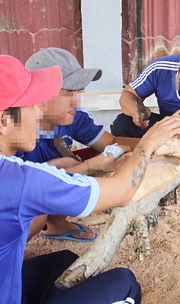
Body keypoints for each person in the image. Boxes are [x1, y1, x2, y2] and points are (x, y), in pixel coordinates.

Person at [0, 54, 180, 303]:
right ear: (4, 121)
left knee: (62, 263)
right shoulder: (21, 179)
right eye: (32, 106)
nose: (38, 114)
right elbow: (120, 192)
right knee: (125, 284)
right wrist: (148, 144)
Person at [21, 47, 139, 243]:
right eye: (68, 93)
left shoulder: (76, 118)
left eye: (78, 92)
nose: (76, 102)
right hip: (21, 199)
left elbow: (110, 143)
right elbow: (18, 187)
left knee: (79, 160)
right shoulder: (13, 131)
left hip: (44, 185)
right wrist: (85, 167)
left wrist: (154, 140)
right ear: (41, 97)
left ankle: (57, 224)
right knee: (37, 213)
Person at [111, 38, 180, 138]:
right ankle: (137, 153)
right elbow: (129, 94)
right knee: (122, 124)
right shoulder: (160, 68)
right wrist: (136, 111)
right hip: (166, 126)